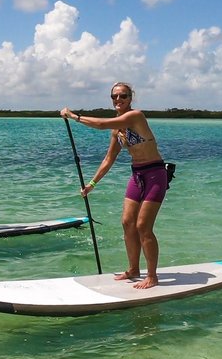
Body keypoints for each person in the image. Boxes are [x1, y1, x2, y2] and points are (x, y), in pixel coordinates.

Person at [61, 82, 168, 289]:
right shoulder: (117, 130)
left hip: (155, 174)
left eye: (123, 96)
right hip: (137, 175)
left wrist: (74, 116)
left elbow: (101, 124)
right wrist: (91, 184)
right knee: (127, 222)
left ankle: (152, 276)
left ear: (130, 98)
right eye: (114, 97)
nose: (118, 100)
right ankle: (133, 269)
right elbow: (108, 159)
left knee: (143, 226)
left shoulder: (136, 116)